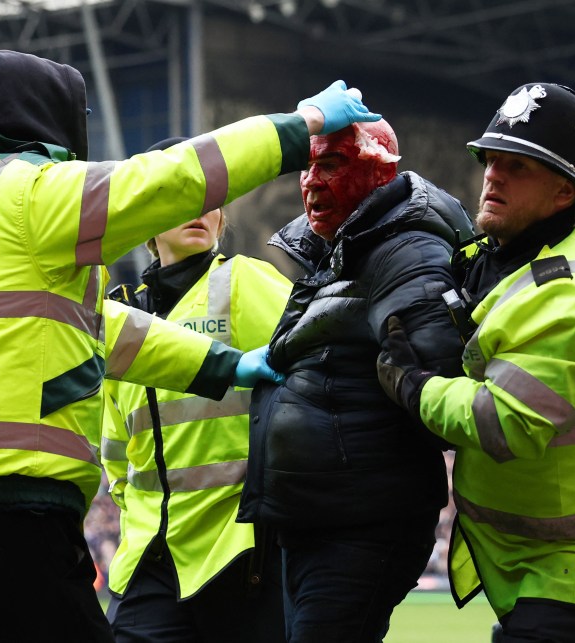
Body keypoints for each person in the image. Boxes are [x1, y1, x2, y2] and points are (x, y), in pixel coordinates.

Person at [0, 48, 380, 643]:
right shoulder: (25, 191)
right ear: (43, 121)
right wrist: (303, 123)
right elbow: (171, 178)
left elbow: (101, 330)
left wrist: (225, 364)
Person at [376, 83, 575, 643]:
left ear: (563, 193)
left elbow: (503, 422)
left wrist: (414, 385)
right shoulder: (501, 263)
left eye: (518, 166)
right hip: (543, 562)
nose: (493, 175)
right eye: (490, 159)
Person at [236, 117, 476, 642]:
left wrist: (410, 367)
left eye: (333, 163)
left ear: (378, 171)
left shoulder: (407, 253)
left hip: (361, 523)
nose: (312, 181)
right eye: (307, 166)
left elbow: (438, 383)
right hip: (312, 520)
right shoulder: (335, 253)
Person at [101, 137, 291, 643]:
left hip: (237, 552)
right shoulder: (117, 316)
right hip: (146, 557)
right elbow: (115, 451)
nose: (202, 209)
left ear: (223, 220)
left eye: (213, 200)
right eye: (184, 194)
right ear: (146, 219)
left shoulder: (249, 283)